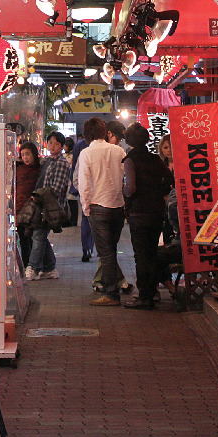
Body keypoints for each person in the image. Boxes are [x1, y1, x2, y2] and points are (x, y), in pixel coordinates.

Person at [76, 117, 129, 306]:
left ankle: (111, 294)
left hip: (98, 206)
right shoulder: (118, 151)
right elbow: (125, 178)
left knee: (105, 253)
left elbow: (84, 183)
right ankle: (113, 289)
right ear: (103, 131)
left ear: (87, 134)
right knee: (111, 250)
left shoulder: (86, 153)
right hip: (117, 205)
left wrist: (86, 206)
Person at [121, 124, 174, 309]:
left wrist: (125, 192)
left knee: (141, 256)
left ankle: (145, 297)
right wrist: (158, 190)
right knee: (152, 253)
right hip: (156, 211)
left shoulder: (130, 160)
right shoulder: (155, 159)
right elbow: (169, 178)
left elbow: (131, 188)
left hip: (138, 212)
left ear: (129, 140)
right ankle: (152, 293)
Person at [27, 131, 70, 280]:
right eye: (50, 142)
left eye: (56, 143)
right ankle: (50, 268)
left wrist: (40, 197)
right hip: (40, 204)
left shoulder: (62, 163)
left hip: (50, 207)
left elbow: (56, 190)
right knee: (40, 236)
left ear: (62, 146)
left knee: (38, 236)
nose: (52, 146)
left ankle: (32, 267)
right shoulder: (46, 161)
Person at [14, 141, 42, 272]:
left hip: (33, 209)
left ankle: (33, 266)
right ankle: (27, 266)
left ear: (34, 154)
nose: (25, 157)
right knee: (24, 238)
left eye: (28, 154)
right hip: (19, 209)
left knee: (33, 238)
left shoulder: (39, 170)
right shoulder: (18, 169)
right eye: (23, 154)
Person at [70, 134, 94, 261]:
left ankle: (86, 249)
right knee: (96, 221)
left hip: (84, 188)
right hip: (99, 191)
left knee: (85, 218)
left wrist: (77, 187)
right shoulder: (105, 147)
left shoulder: (79, 146)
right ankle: (92, 247)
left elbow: (75, 167)